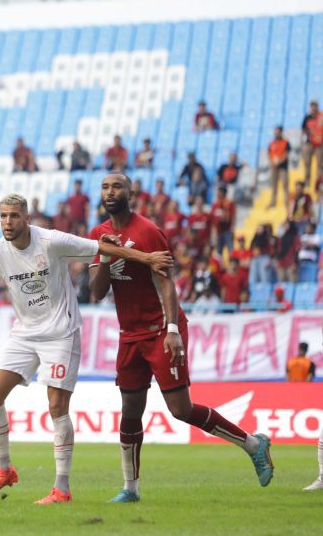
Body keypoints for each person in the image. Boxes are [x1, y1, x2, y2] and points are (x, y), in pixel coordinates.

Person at [0, 193, 172, 504]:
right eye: (3, 216)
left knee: (57, 407)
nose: (8, 222)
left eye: (14, 216)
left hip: (61, 332)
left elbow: (102, 247)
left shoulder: (51, 241)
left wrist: (148, 258)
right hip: (24, 334)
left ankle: (61, 488)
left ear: (27, 218)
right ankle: (4, 469)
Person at [88, 173, 274, 504]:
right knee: (130, 409)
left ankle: (253, 445)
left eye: (117, 186)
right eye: (105, 187)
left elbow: (166, 284)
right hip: (130, 334)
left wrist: (172, 329)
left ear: (130, 193)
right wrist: (104, 256)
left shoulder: (147, 232)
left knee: (180, 409)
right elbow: (97, 291)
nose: (110, 192)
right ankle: (130, 488)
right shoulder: (98, 235)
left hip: (162, 329)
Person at [267, 126, 291, 208]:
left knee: (285, 184)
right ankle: (273, 202)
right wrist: (272, 162)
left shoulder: (286, 142)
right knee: (274, 185)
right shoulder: (271, 143)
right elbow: (269, 154)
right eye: (275, 132)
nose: (276, 133)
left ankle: (287, 202)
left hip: (283, 167)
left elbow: (286, 154)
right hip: (274, 167)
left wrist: (279, 161)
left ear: (281, 132)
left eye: (278, 132)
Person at [210, 186, 236, 257]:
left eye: (219, 192)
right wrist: (213, 232)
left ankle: (233, 264)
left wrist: (232, 229)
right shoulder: (215, 204)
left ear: (224, 193)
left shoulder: (229, 203)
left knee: (231, 250)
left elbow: (233, 216)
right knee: (218, 252)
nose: (218, 194)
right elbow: (212, 219)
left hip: (227, 230)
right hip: (218, 231)